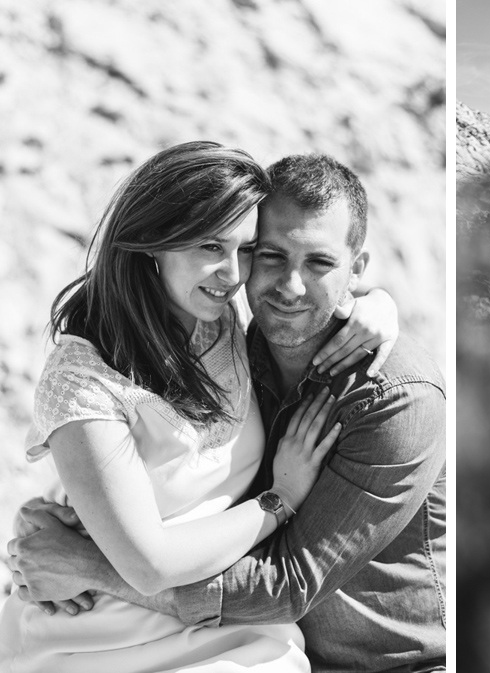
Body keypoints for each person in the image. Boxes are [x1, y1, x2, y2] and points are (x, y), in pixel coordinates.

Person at [8, 154, 447, 672]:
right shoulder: (236, 334)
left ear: (357, 268)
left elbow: (287, 583)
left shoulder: (391, 396)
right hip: (156, 636)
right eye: (269, 255)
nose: (290, 286)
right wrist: (54, 519)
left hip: (381, 661)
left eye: (320, 263)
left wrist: (93, 566)